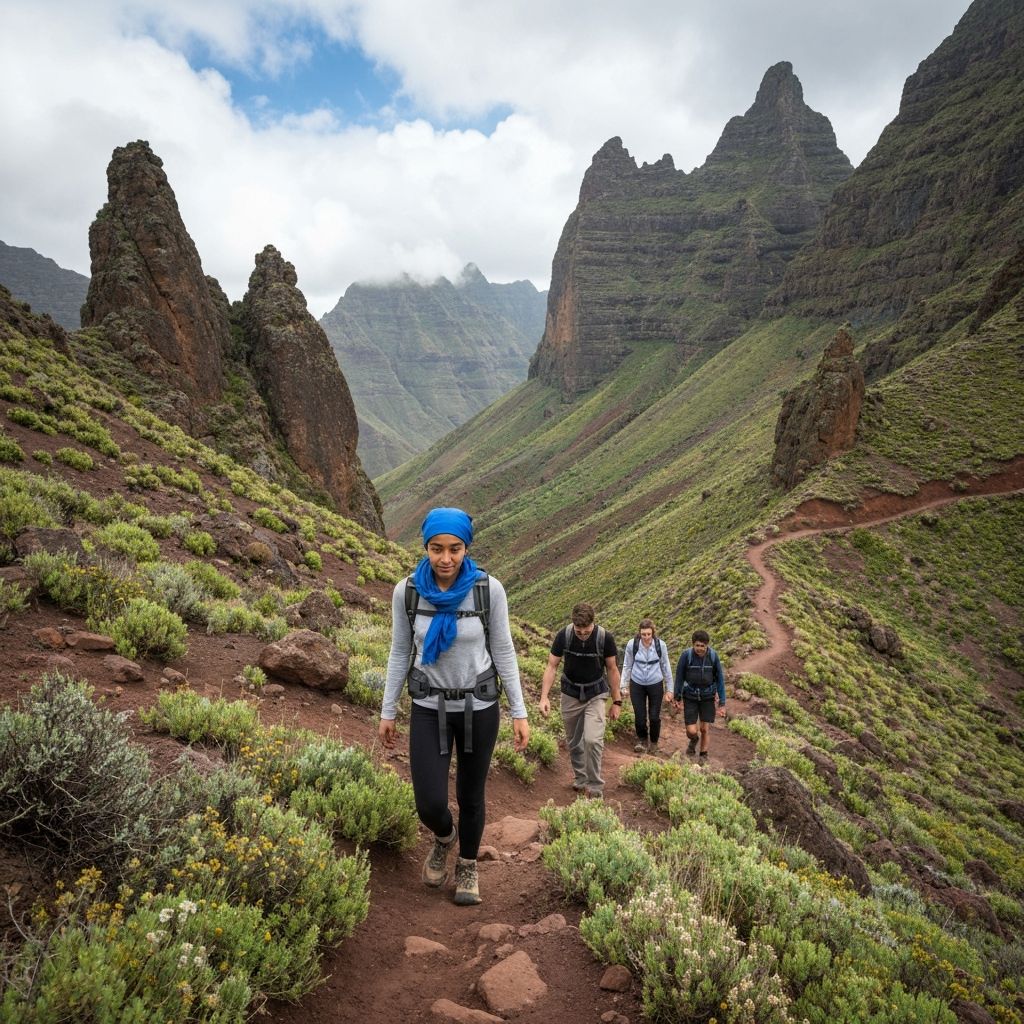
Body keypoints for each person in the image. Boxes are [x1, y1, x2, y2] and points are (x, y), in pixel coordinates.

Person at [379, 507, 529, 906]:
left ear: (466, 548)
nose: (445, 558)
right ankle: (445, 836)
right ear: (426, 547)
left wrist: (519, 711)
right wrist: (388, 709)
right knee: (429, 802)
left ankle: (467, 864)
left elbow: (503, 650)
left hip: (479, 707)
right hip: (429, 707)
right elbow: (400, 652)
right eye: (437, 549)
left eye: (454, 549)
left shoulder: (488, 591)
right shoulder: (408, 592)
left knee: (471, 794)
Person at [539, 602, 621, 798]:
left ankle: (595, 785)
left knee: (592, 739)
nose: (583, 634)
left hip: (596, 693)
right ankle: (581, 778)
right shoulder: (564, 635)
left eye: (586, 630)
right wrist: (544, 697)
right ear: (573, 624)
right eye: (579, 631)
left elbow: (612, 669)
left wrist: (616, 702)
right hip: (570, 692)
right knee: (574, 741)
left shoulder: (604, 638)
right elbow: (552, 666)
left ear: (593, 623)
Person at [672, 629, 726, 763]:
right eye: (697, 645)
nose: (700, 649)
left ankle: (703, 755)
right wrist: (677, 697)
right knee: (691, 730)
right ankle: (694, 739)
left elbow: (720, 679)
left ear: (707, 645)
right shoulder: (686, 656)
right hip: (690, 696)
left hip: (707, 696)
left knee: (704, 728)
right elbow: (679, 677)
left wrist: (722, 703)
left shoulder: (713, 656)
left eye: (703, 646)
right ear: (693, 644)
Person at [622, 618, 672, 754]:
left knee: (654, 716)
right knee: (639, 716)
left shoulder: (660, 645)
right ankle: (642, 740)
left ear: (653, 633)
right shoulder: (632, 645)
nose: (646, 637)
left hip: (655, 683)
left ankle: (654, 742)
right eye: (643, 634)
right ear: (639, 633)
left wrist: (670, 689)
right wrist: (623, 685)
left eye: (649, 634)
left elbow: (666, 666)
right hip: (637, 683)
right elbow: (627, 665)